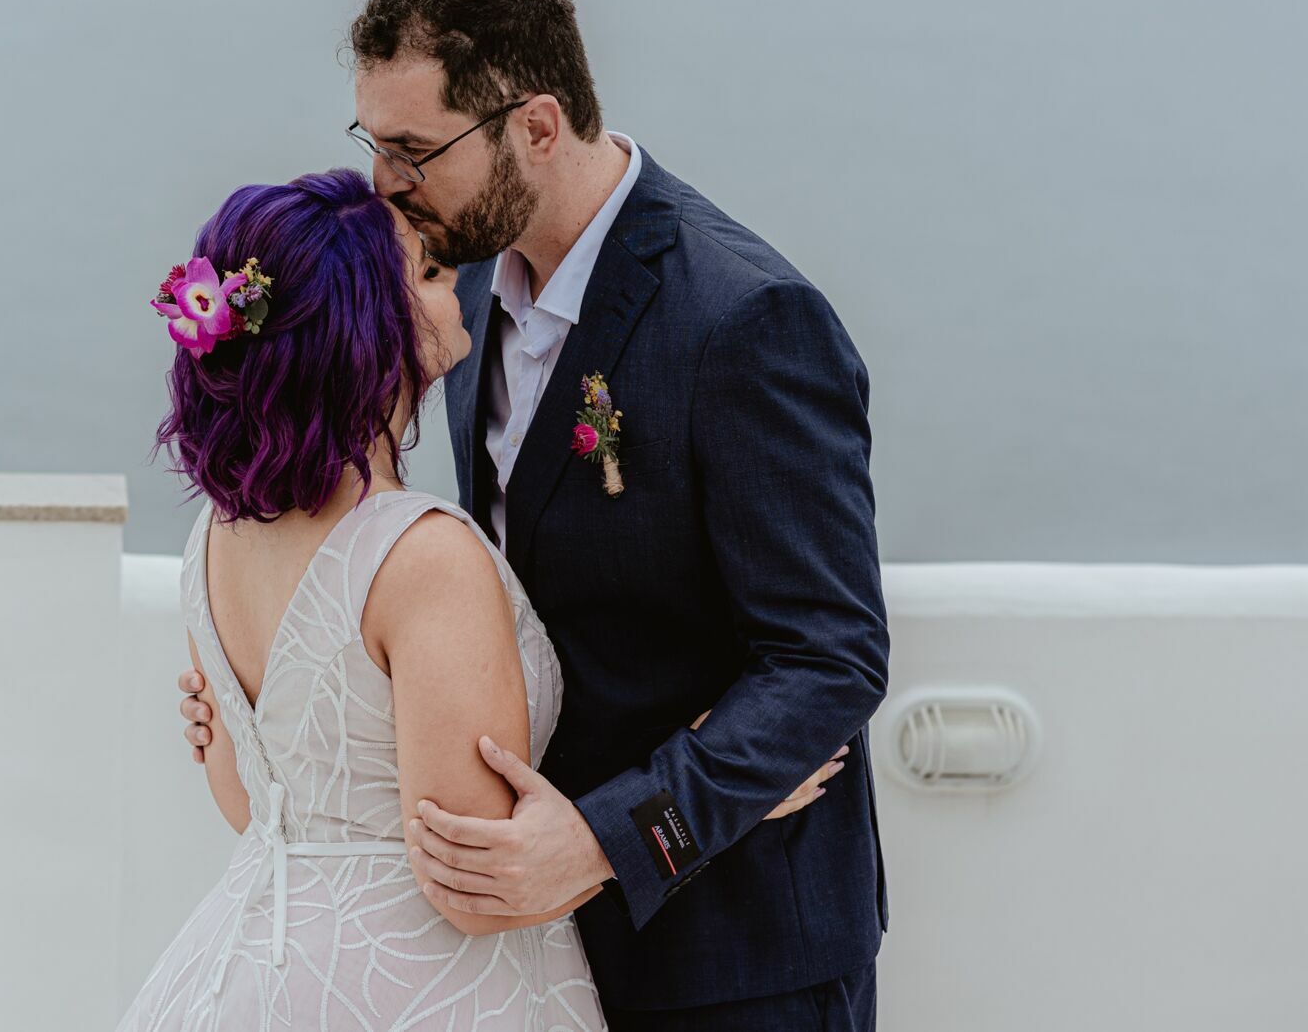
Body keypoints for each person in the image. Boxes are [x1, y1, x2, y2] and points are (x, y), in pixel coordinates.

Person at [180, 0, 890, 1031]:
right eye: (375, 145)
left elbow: (826, 656)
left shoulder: (742, 319)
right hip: (526, 941)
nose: (388, 187)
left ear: (538, 127)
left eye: (417, 150)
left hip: (735, 955)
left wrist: (618, 836)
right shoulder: (455, 288)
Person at [124, 170, 840, 1031]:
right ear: (370, 329)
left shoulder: (216, 536)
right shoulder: (423, 556)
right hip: (417, 990)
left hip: (250, 974)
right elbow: (480, 887)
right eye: (428, 270)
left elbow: (263, 812)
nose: (460, 274)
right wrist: (711, 789)